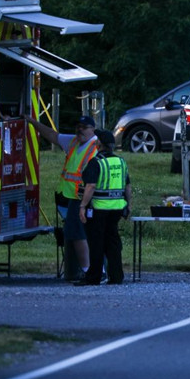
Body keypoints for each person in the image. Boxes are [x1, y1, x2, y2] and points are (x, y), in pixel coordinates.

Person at [25, 113, 98, 282]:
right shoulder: (73, 141)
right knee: (78, 233)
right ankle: (92, 270)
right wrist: (32, 122)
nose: (80, 130)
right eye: (78, 127)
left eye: (84, 127)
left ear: (92, 129)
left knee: (78, 233)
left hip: (83, 198)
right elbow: (51, 135)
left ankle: (88, 271)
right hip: (70, 196)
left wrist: (85, 203)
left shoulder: (95, 146)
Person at [75, 130, 132, 286]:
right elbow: (127, 187)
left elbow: (91, 186)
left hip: (99, 209)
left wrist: (82, 206)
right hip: (117, 209)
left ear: (98, 144)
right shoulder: (121, 162)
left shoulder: (96, 162)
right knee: (113, 242)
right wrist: (129, 206)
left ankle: (93, 277)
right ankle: (116, 276)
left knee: (96, 243)